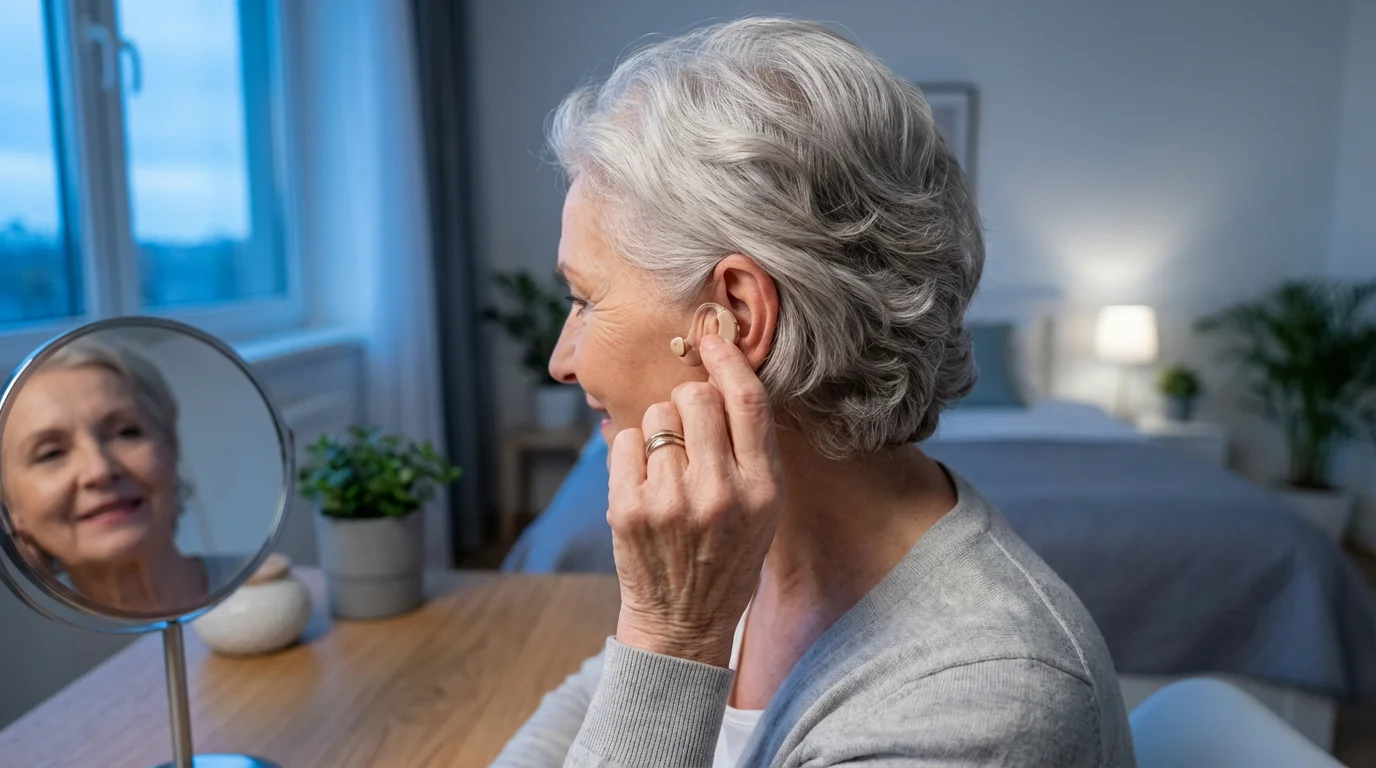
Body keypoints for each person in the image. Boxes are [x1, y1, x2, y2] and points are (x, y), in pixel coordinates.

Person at [492, 16, 1136, 768]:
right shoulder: (736, 539)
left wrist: (672, 638)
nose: (561, 361)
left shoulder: (981, 705)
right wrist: (665, 635)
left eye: (586, 300)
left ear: (733, 318)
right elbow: (592, 707)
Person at [0, 335, 233, 614]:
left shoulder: (277, 591)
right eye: (51, 453)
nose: (100, 470)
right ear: (10, 510)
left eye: (126, 432)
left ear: (172, 448)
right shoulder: (30, 655)